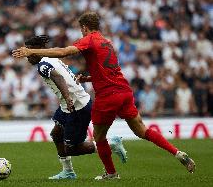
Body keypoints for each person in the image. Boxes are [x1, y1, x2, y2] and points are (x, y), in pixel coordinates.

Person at [12, 12, 196, 180]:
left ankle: (111, 173)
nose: (81, 32)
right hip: (124, 91)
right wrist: (89, 78)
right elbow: (111, 71)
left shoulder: (89, 40)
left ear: (84, 27)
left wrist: (31, 51)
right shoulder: (106, 42)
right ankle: (177, 152)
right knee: (142, 130)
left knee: (99, 138)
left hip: (108, 96)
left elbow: (63, 52)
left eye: (81, 29)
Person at [23, 35, 127, 180]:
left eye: (28, 52)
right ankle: (68, 172)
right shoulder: (50, 58)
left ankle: (110, 144)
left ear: (36, 50)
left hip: (76, 107)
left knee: (72, 148)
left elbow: (58, 78)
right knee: (56, 134)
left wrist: (67, 98)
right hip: (70, 104)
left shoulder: (43, 65)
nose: (27, 57)